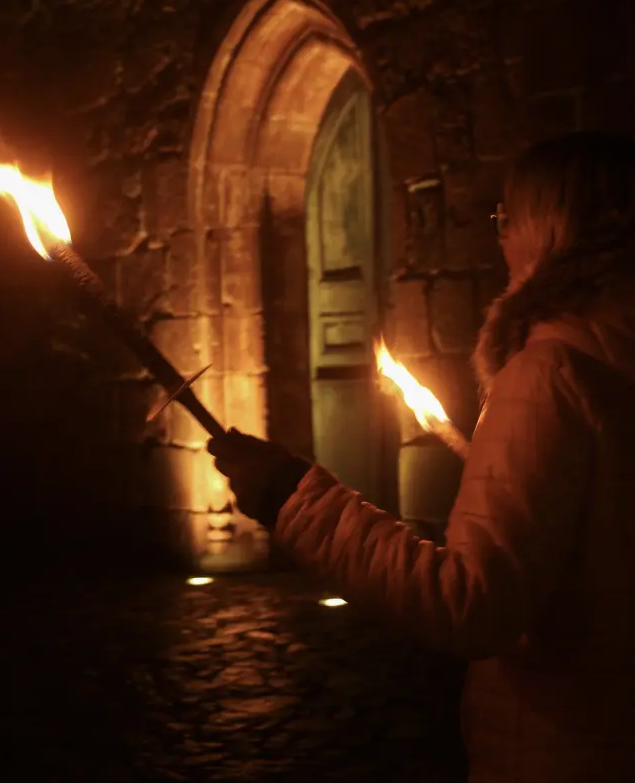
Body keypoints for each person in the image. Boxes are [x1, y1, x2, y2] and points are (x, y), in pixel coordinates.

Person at [208, 132, 635, 783]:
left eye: (507, 217)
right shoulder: (611, 358)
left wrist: (292, 495)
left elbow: (471, 604)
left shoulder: (549, 372)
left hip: (565, 749)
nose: (500, 236)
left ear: (552, 226)